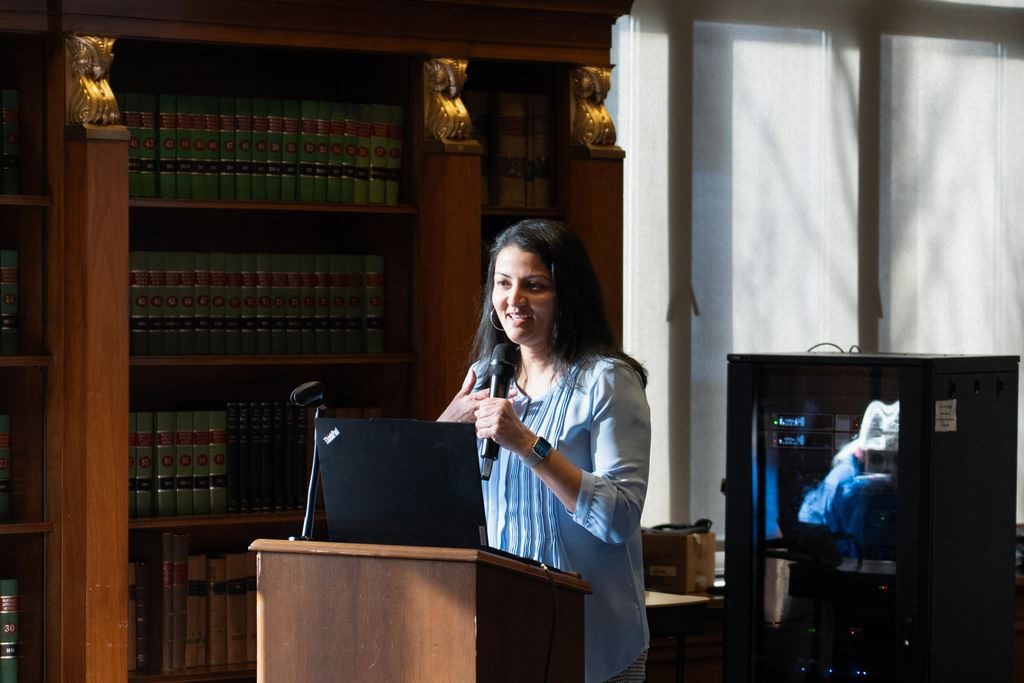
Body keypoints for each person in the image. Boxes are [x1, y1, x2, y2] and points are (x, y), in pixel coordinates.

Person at [438, 219, 652, 683]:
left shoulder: (607, 381)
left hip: (593, 642)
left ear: (566, 296)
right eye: (503, 284)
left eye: (534, 286)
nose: (513, 300)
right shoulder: (485, 377)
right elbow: (434, 508)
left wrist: (527, 445)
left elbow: (619, 518)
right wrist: (443, 431)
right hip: (505, 630)